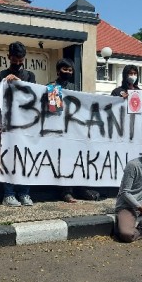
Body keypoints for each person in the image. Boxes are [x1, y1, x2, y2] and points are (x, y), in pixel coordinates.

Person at [46, 58, 102, 203]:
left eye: (70, 70)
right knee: (62, 161)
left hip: (74, 130)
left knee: (76, 160)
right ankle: (65, 192)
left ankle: (80, 189)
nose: (67, 72)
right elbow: (54, 109)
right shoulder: (53, 87)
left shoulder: (76, 88)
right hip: (57, 130)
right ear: (58, 71)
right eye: (65, 70)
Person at [0, 41, 36, 207]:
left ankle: (25, 193)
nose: (18, 62)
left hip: (26, 126)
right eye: (15, 59)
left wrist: (18, 82)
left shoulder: (30, 76)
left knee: (26, 159)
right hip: (7, 126)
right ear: (8, 57)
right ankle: (8, 194)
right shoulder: (0, 76)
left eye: (21, 59)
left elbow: (33, 96)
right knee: (8, 159)